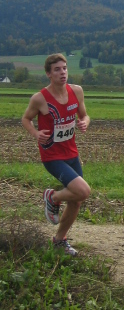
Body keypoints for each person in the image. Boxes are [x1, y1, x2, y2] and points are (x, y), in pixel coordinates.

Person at [21, 53, 91, 256]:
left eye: (65, 68)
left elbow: (85, 115)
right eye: (57, 69)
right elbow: (25, 119)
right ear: (48, 74)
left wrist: (84, 122)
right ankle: (52, 197)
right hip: (52, 156)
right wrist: (36, 133)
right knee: (83, 191)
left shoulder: (76, 91)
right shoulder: (40, 98)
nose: (63, 72)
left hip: (71, 153)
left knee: (76, 200)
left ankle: (59, 240)